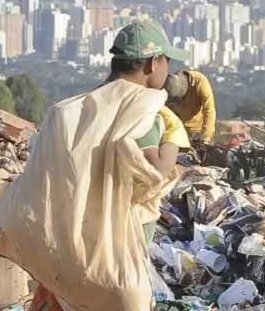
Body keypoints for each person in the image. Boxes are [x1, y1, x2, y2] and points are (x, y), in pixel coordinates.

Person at [29, 20, 190, 311]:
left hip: (69, 245)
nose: (168, 69)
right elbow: (154, 172)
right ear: (154, 63)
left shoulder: (74, 109)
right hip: (116, 251)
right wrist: (173, 138)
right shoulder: (140, 111)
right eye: (167, 60)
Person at [164, 69, 217, 144]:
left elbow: (209, 109)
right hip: (181, 132)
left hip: (200, 130)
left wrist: (205, 138)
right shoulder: (169, 87)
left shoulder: (200, 81)